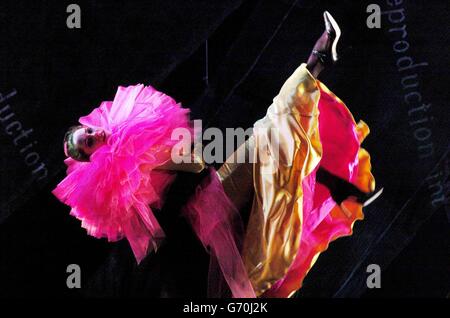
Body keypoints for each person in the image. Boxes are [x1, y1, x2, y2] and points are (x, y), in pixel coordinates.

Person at [53, 11, 378, 298]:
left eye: (91, 131)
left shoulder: (134, 125)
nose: (97, 135)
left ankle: (317, 61)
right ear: (91, 157)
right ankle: (344, 189)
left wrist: (163, 156)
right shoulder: (120, 192)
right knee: (269, 233)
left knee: (271, 143)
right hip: (205, 226)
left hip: (215, 186)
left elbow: (191, 159)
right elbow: (156, 237)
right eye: (90, 143)